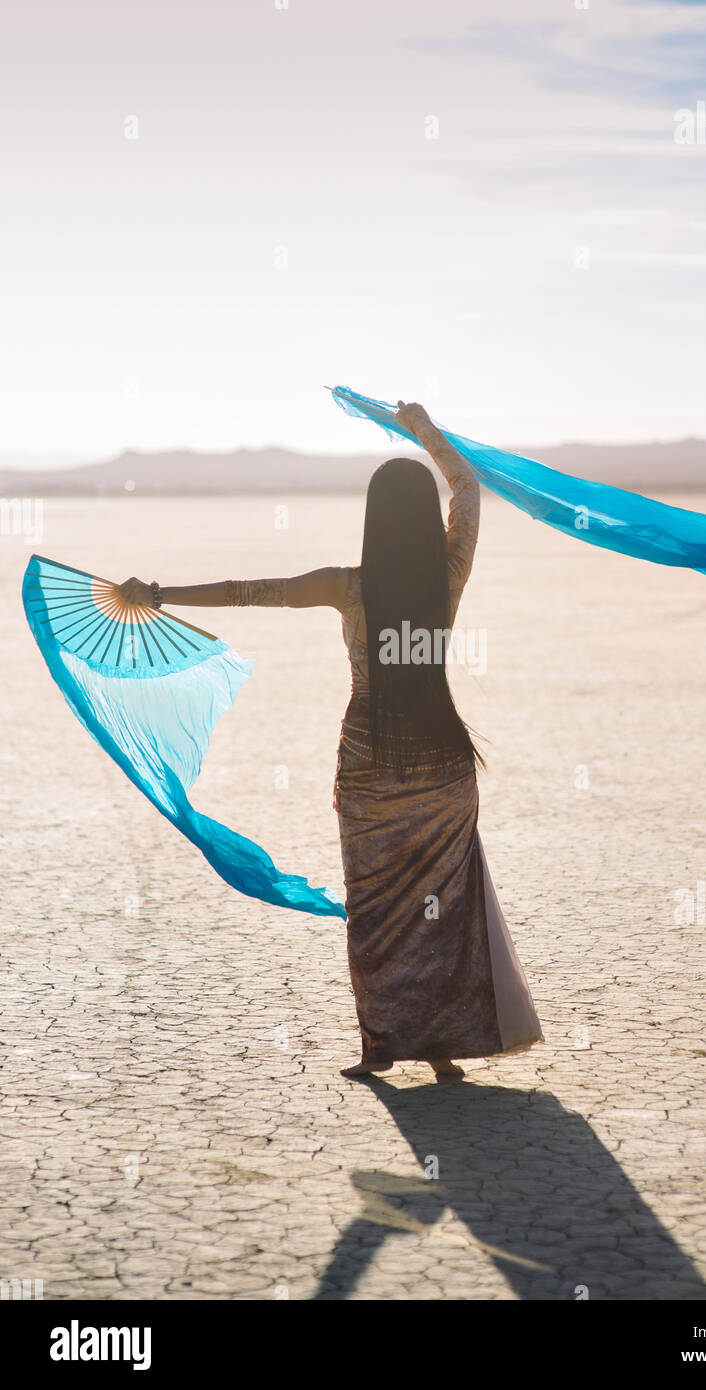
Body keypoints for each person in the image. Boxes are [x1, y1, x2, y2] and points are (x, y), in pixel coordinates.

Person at [120, 401, 543, 1081]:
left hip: (372, 766)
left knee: (375, 909)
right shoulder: (448, 574)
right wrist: (425, 431)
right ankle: (437, 1048)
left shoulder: (350, 587)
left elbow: (252, 591)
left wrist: (161, 593)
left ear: (375, 521)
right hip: (441, 768)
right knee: (442, 908)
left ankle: (381, 1044)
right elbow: (466, 488)